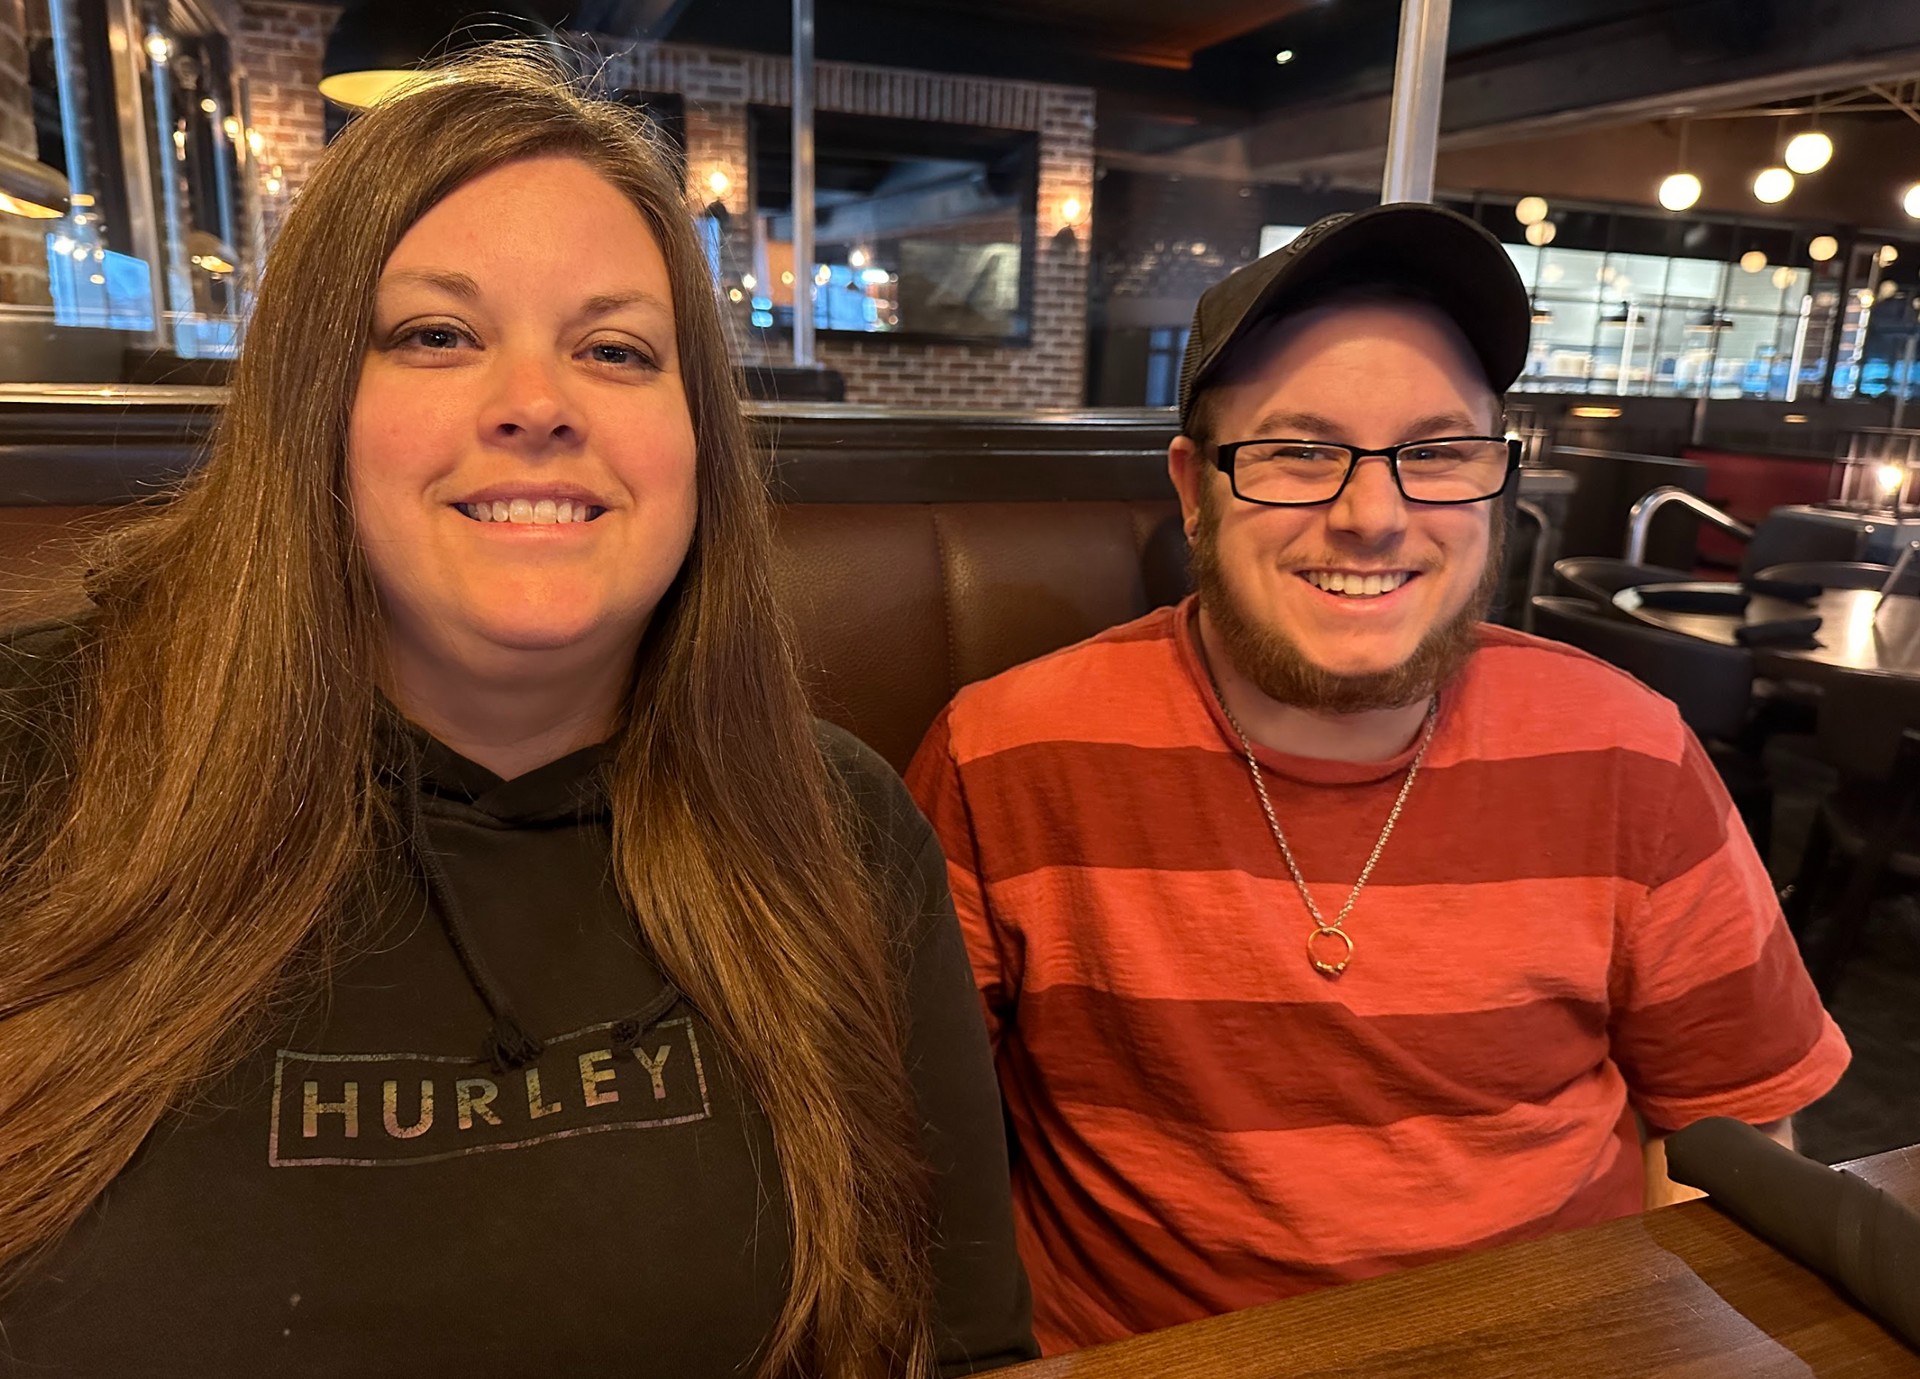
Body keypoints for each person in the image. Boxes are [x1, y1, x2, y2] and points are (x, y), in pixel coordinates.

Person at [0, 54, 1033, 1379]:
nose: (537, 404)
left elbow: (960, 1346)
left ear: (696, 438)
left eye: (615, 349)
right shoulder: (36, 759)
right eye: (438, 333)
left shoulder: (833, 822)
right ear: (318, 405)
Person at [905, 203, 1849, 1354]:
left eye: (1438, 451)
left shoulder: (1629, 748)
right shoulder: (1004, 752)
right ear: (1196, 488)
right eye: (1301, 450)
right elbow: (906, 1145)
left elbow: (1734, 1135)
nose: (1373, 513)